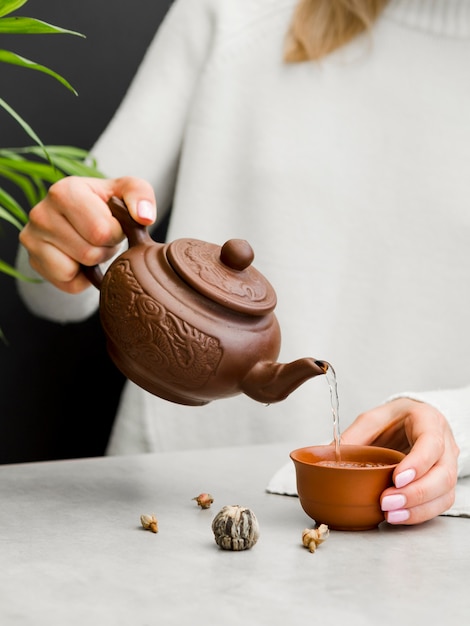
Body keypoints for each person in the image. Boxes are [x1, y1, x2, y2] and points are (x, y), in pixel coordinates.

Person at [15, 0, 470, 526]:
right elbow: (47, 288)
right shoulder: (232, 14)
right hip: (162, 510)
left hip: (416, 541)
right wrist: (64, 239)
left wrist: (455, 422)